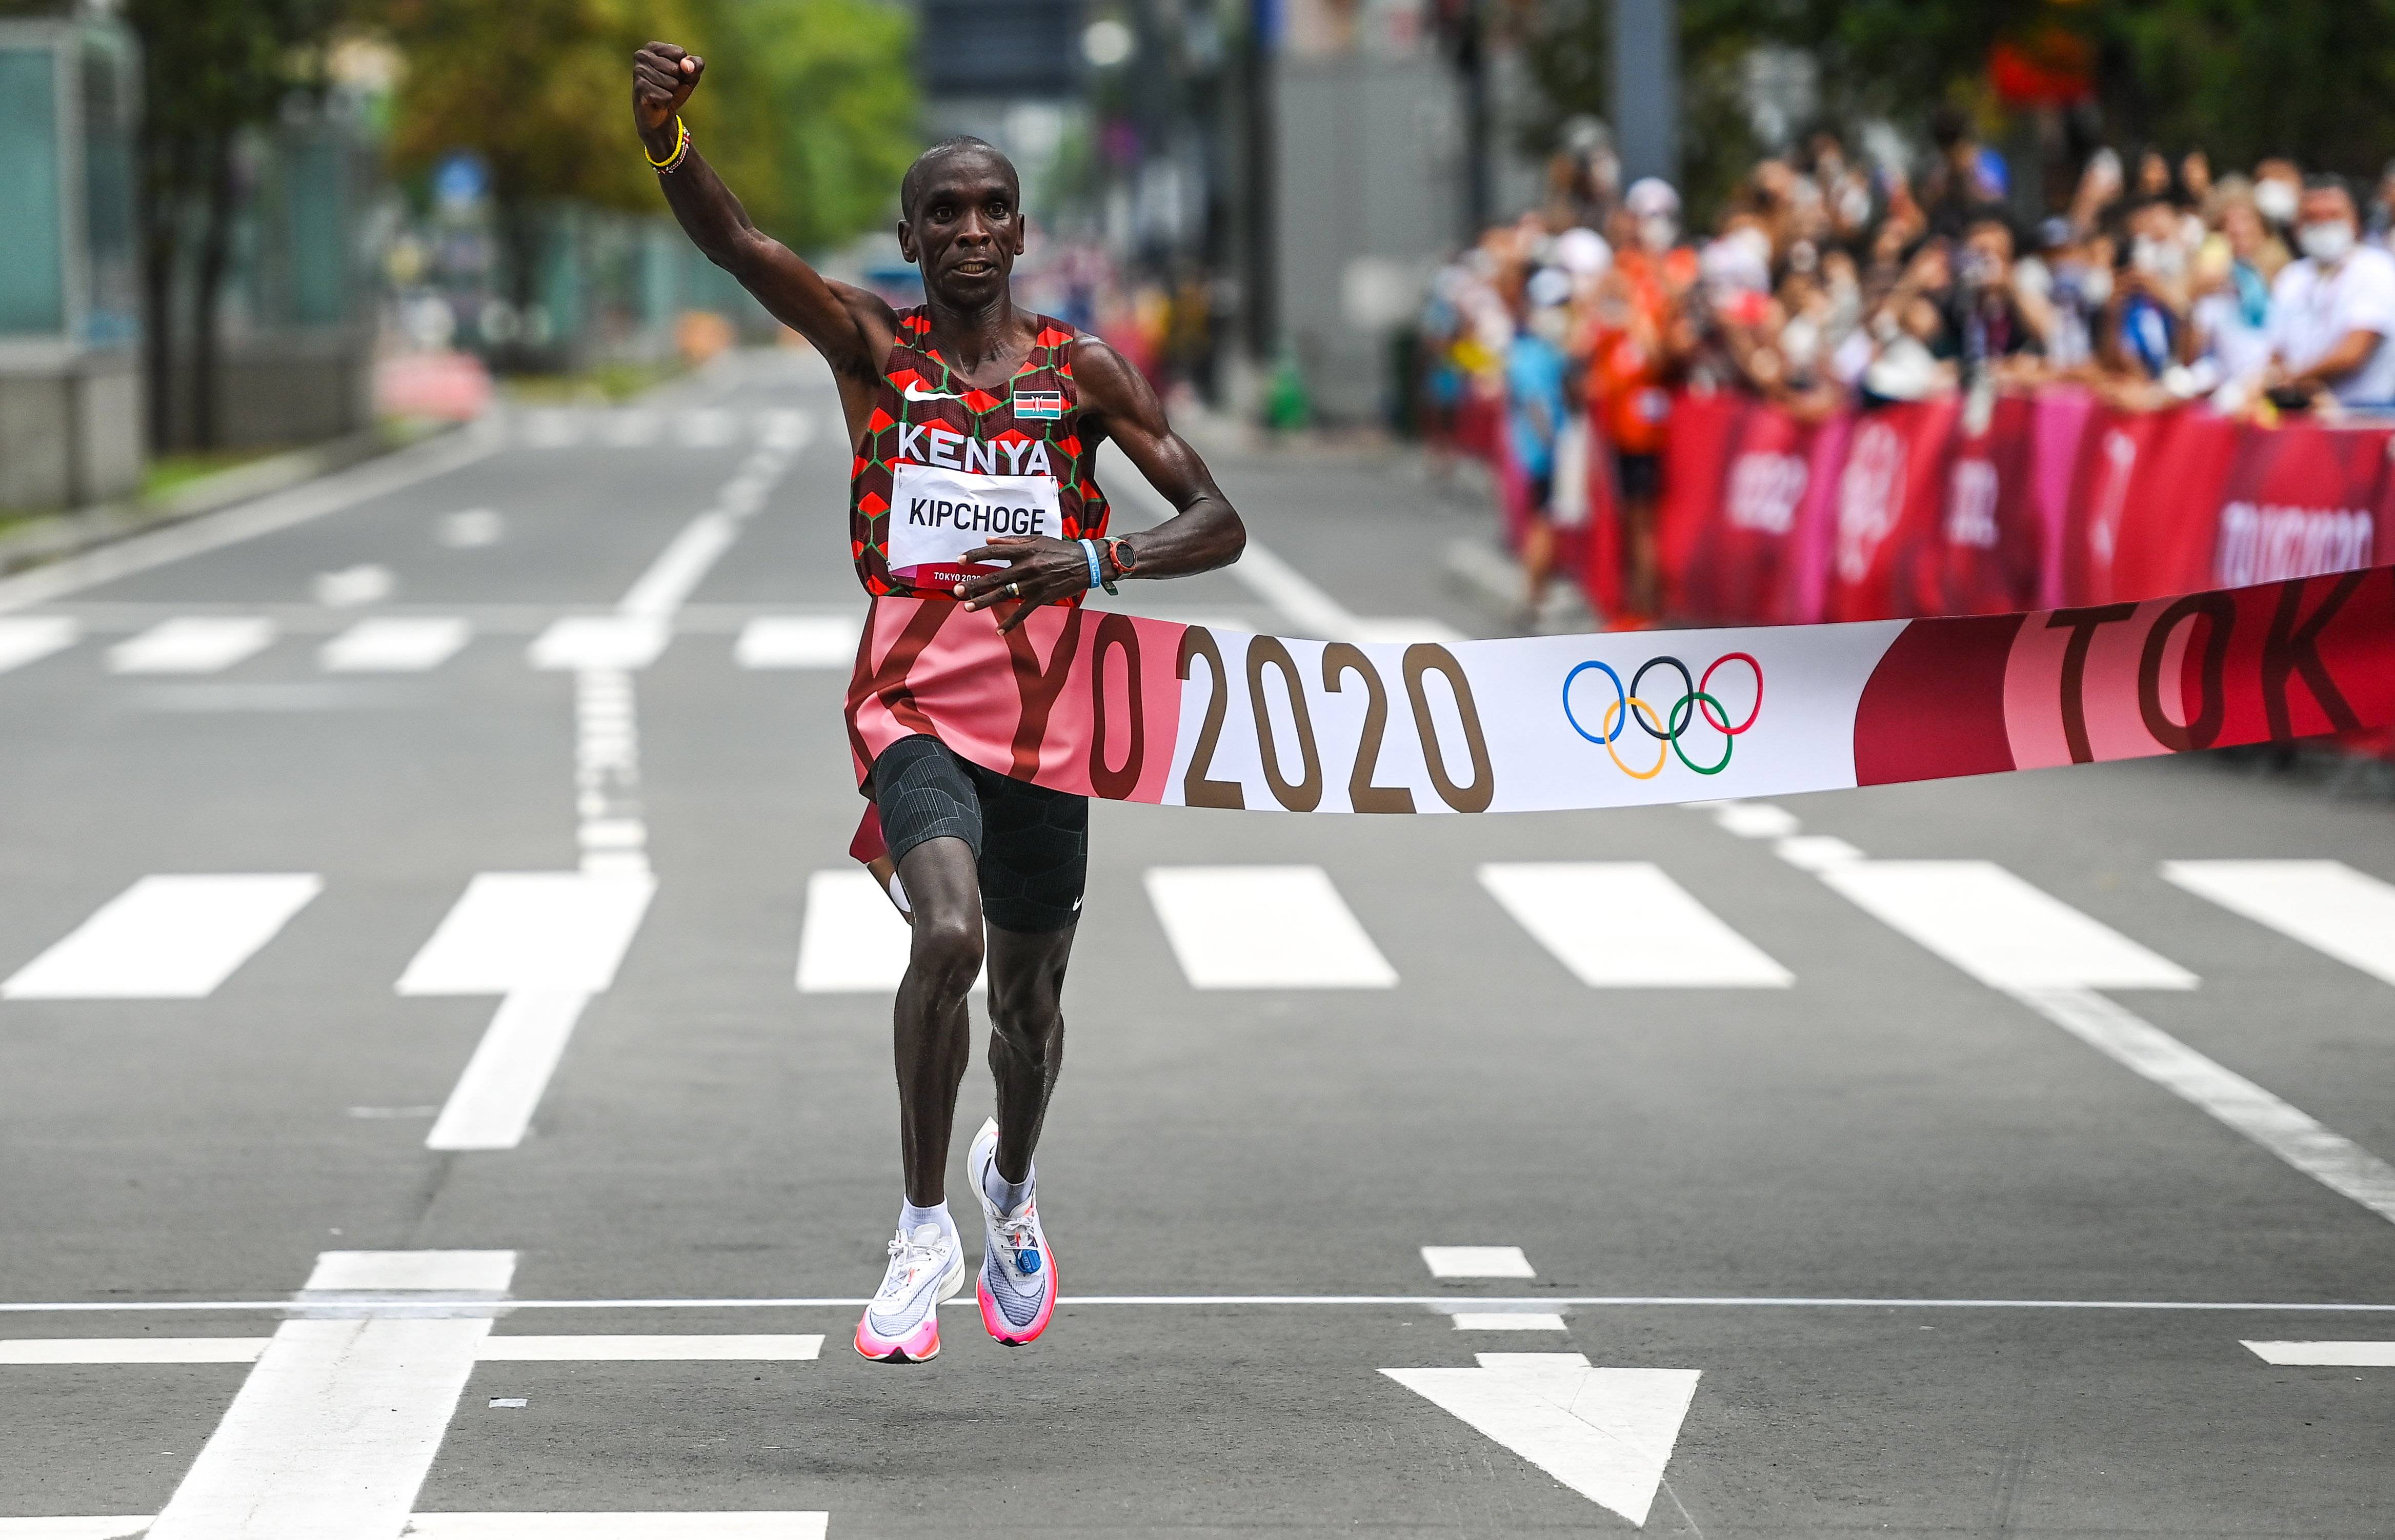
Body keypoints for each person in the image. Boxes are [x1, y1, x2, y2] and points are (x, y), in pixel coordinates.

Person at [631, 42, 1247, 1363]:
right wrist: (669, 139)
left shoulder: (1080, 375)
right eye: (944, 213)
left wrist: (1100, 558)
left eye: (991, 210)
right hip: (910, 703)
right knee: (950, 933)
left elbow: (1216, 520)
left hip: (1054, 726)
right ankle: (922, 1226)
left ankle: (1009, 1190)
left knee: (1029, 1011)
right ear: (911, 237)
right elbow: (740, 244)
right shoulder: (873, 345)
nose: (970, 232)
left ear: (1022, 231)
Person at [2265, 176, 2395, 412]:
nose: (2323, 226)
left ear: (2354, 220)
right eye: (2313, 218)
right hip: (2303, 416)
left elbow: (2353, 353)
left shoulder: (2377, 269)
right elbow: (2277, 351)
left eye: (2333, 216)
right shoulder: (2293, 277)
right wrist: (2270, 382)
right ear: (2297, 226)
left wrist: (2292, 379)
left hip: (2365, 416)